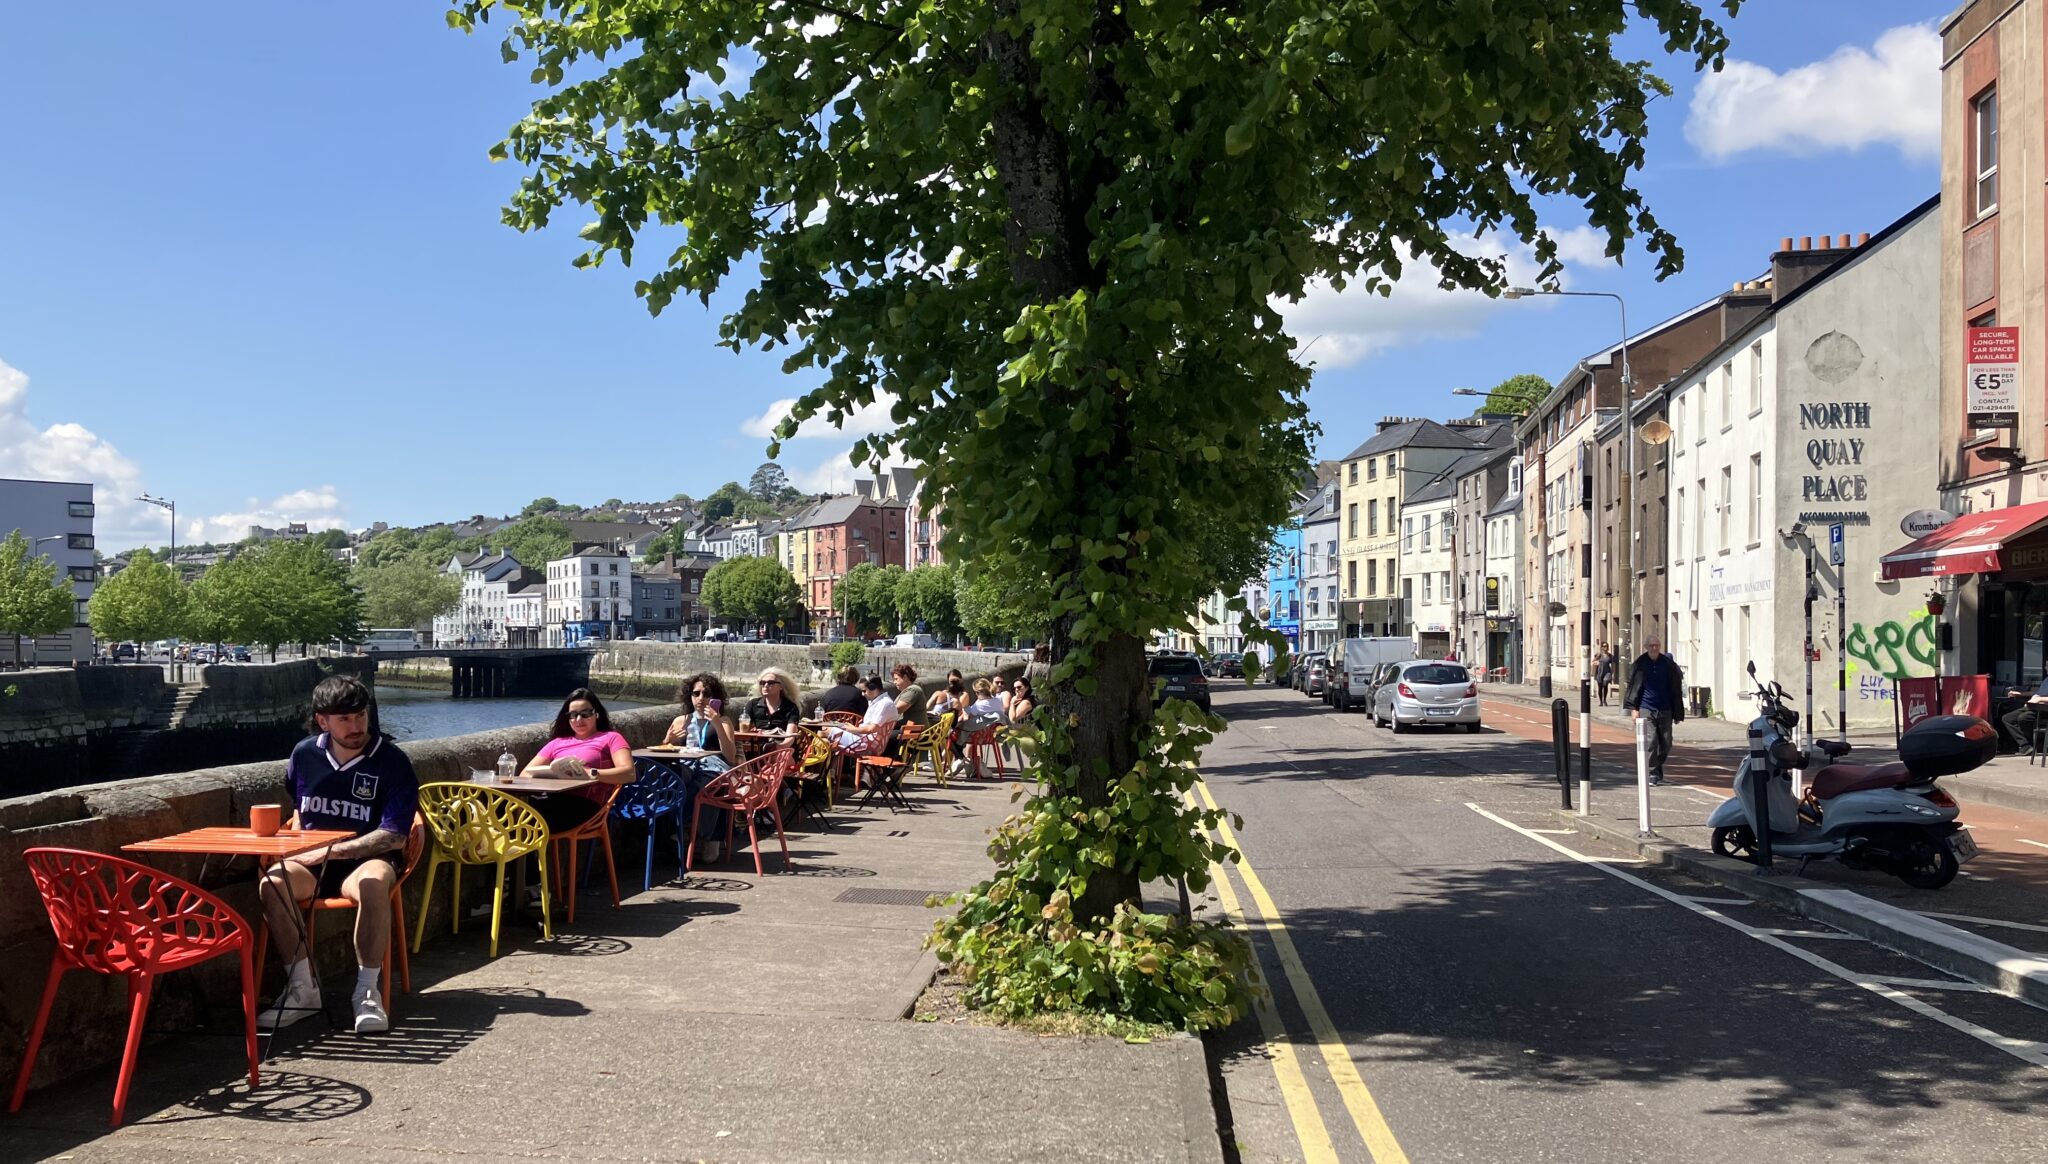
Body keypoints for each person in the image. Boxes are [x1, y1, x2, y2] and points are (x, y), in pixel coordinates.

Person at [258, 675, 418, 1034]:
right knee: (272, 884)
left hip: (365, 861)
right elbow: (297, 806)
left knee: (375, 883)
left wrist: (330, 851)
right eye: (344, 719)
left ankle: (366, 991)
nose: (356, 726)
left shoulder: (392, 762)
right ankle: (302, 989)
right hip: (314, 861)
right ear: (322, 721)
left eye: (361, 716)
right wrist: (302, 844)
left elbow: (392, 836)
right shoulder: (304, 754)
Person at [523, 688, 639, 833]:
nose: (579, 720)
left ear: (596, 714)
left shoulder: (611, 738)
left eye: (585, 714)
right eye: (573, 715)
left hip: (587, 806)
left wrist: (591, 773)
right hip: (553, 799)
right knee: (505, 809)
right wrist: (551, 775)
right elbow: (525, 774)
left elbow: (629, 773)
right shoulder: (557, 743)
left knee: (524, 820)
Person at [663, 673, 740, 860]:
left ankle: (700, 835)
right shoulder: (681, 720)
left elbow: (730, 756)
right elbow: (664, 750)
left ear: (716, 698)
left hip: (714, 767)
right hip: (687, 764)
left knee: (705, 786)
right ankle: (692, 834)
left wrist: (716, 724)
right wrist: (669, 740)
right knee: (675, 779)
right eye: (696, 693)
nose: (701, 698)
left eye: (706, 694)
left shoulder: (723, 721)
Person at [1622, 635, 1685, 785]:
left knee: (1666, 742)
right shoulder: (1640, 664)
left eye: (1657, 645)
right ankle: (1652, 772)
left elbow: (1675, 689)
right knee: (1650, 741)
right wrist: (1634, 708)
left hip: (1665, 708)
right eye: (1651, 646)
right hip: (1646, 708)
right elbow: (1633, 687)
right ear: (1646, 647)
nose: (1654, 648)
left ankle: (1657, 766)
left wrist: (1677, 712)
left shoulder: (1668, 664)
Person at [825, 675, 900, 758]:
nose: (862, 694)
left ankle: (818, 766)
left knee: (825, 731)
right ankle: (830, 769)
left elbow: (872, 729)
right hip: (865, 741)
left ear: (873, 688)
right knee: (825, 738)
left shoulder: (885, 704)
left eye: (864, 691)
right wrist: (852, 728)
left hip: (867, 745)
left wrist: (853, 729)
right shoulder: (879, 702)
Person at [744, 667, 803, 734]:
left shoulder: (791, 708)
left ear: (781, 686)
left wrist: (778, 745)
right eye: (763, 683)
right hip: (757, 743)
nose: (766, 685)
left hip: (781, 743)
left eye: (770, 683)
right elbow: (744, 730)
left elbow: (790, 737)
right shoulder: (752, 704)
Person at [2000, 675, 2048, 754]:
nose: (2046, 668)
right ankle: (2026, 746)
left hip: (2044, 709)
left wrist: (2039, 699)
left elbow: (2040, 697)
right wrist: (2020, 694)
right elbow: (2037, 693)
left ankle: (2033, 745)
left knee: (2023, 718)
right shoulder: (2046, 679)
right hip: (2034, 706)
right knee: (2007, 718)